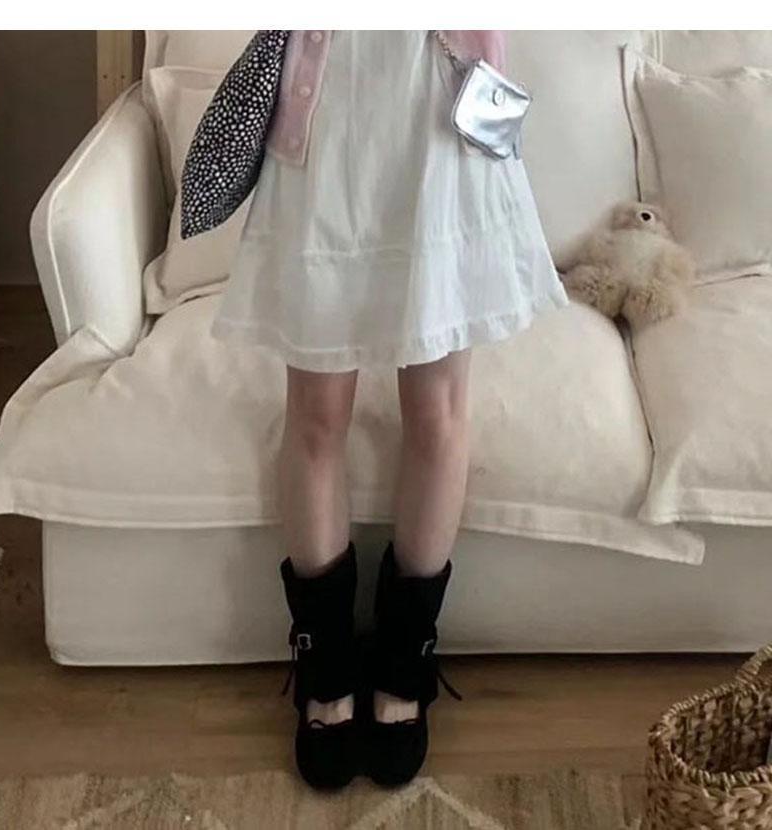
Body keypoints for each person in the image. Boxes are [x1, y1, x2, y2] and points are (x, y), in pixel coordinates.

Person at [209, 30, 569, 790]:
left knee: (437, 413)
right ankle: (326, 661)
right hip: (326, 124)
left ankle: (405, 656)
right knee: (316, 416)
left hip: (439, 115)